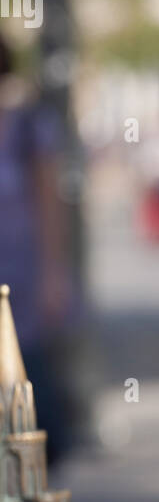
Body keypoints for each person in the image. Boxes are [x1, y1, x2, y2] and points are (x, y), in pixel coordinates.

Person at [0, 36, 73, 459]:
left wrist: (53, 274)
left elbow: (50, 204)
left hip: (22, 284)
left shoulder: (29, 127)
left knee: (27, 382)